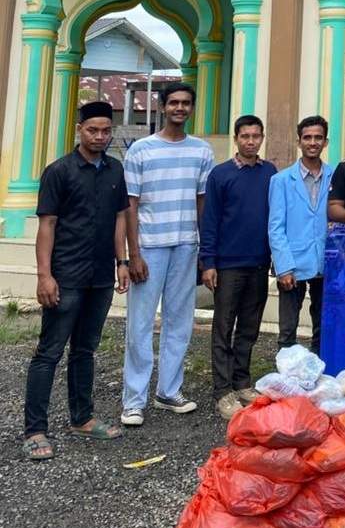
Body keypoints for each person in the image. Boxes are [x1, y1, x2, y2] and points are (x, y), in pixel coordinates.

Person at [22, 101, 129, 460]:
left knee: (85, 350)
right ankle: (35, 430)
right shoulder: (59, 171)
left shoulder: (115, 169)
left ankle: (82, 418)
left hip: (100, 277)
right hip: (65, 276)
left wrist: (122, 262)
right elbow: (47, 225)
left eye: (106, 131)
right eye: (92, 130)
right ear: (79, 129)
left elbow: (120, 217)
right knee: (49, 352)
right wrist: (44, 275)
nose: (100, 137)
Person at [121, 83, 214, 427]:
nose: (179, 108)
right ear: (162, 106)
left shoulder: (201, 151)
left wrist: (204, 249)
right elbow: (130, 205)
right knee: (140, 324)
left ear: (192, 108)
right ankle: (134, 400)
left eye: (185, 103)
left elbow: (202, 202)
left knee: (179, 322)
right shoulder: (141, 150)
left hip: (186, 245)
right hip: (149, 247)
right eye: (173, 102)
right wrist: (133, 253)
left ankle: (169, 391)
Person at [200, 115, 276, 420]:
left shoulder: (270, 172)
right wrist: (208, 262)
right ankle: (222, 390)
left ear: (262, 138)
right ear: (236, 139)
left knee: (249, 327)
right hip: (227, 265)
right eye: (245, 136)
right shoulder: (220, 175)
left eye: (256, 136)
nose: (251, 141)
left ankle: (242, 382)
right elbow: (210, 221)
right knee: (223, 328)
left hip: (258, 262)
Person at [269, 115, 335, 355]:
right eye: (307, 137)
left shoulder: (335, 176)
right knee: (288, 330)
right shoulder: (281, 180)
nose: (313, 142)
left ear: (325, 142)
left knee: (323, 326)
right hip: (293, 263)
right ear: (299, 141)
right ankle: (286, 373)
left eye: (318, 137)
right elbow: (275, 227)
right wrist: (283, 267)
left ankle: (319, 370)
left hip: (326, 261)